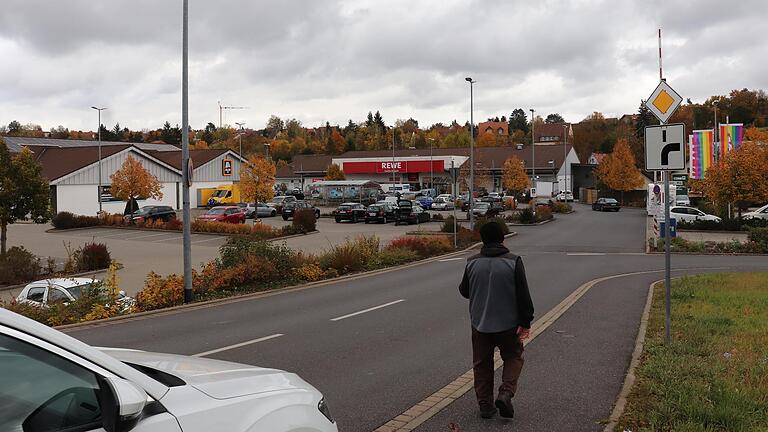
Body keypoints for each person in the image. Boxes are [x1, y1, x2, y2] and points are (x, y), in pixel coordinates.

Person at [459, 221, 534, 419]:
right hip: (508, 324)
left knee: (482, 364)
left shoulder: (471, 262)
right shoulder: (513, 261)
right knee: (513, 356)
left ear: (482, 239)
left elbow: (464, 291)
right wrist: (526, 322)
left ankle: (485, 405)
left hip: (480, 324)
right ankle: (505, 392)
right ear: (502, 239)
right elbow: (523, 295)